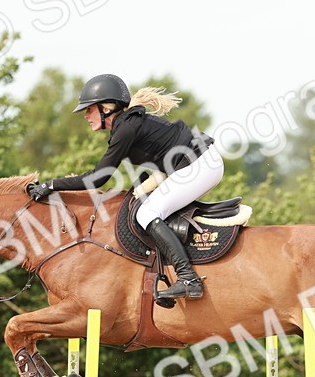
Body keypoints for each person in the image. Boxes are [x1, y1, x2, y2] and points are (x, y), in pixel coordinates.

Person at [27, 74, 223, 301]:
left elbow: (98, 178)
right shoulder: (126, 125)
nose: (86, 116)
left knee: (147, 214)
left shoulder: (126, 129)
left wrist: (51, 185)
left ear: (106, 108)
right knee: (143, 207)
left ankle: (188, 279)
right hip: (197, 163)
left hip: (200, 165)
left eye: (89, 109)